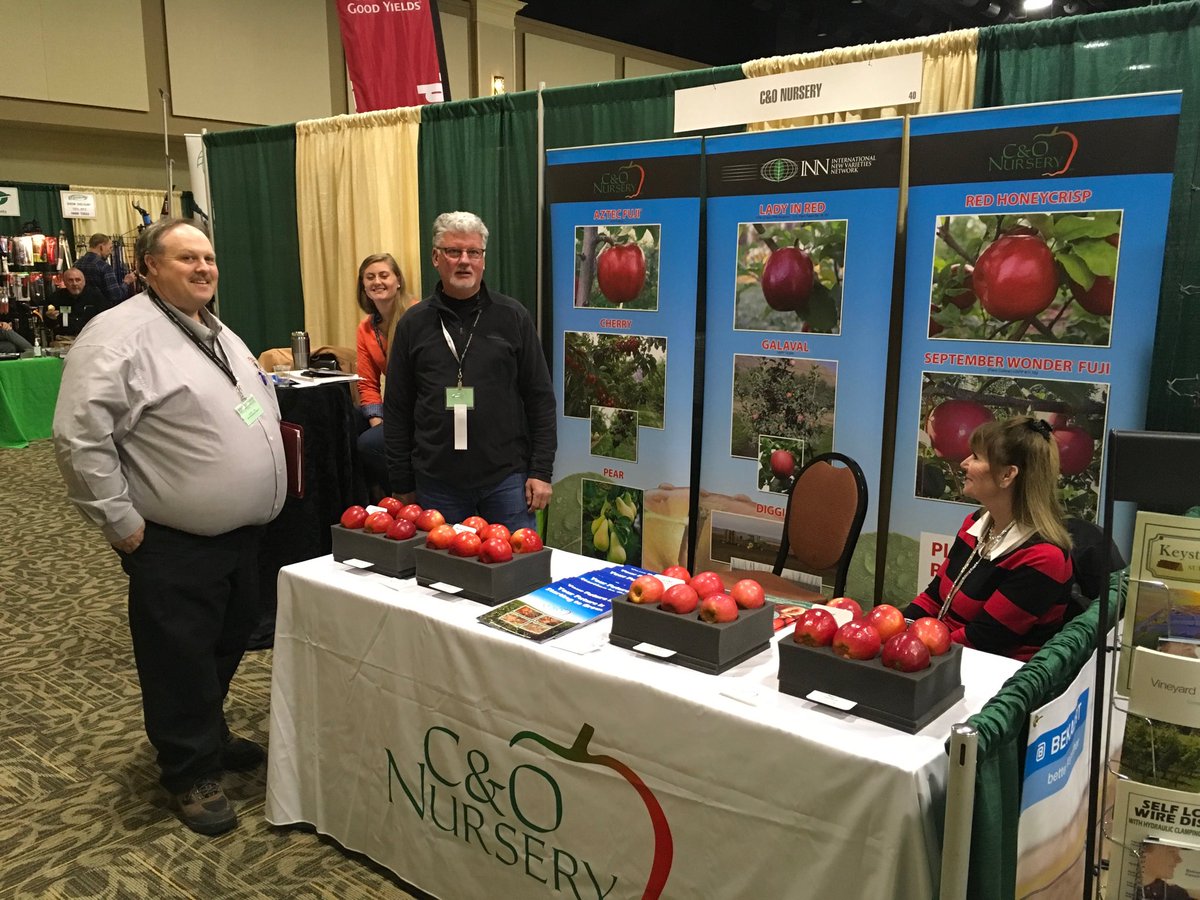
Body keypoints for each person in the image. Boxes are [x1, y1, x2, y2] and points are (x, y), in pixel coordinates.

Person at [52, 218, 286, 836]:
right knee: (178, 657)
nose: (203, 268)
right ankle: (189, 772)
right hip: (172, 542)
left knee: (227, 640)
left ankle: (207, 733)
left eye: (208, 257)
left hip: (238, 539)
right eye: (186, 258)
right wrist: (119, 522)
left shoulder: (214, 329)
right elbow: (79, 438)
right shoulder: (118, 335)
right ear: (149, 267)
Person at [384, 211, 556, 531]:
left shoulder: (513, 317)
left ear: (483, 260)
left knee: (516, 575)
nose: (464, 261)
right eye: (454, 252)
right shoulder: (413, 324)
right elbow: (396, 410)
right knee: (443, 578)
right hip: (437, 485)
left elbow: (540, 399)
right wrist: (401, 482)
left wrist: (541, 471)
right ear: (436, 258)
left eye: (473, 252)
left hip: (506, 480)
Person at [903, 415, 1074, 660]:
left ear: (1007, 475)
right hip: (943, 653)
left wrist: (911, 647)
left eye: (976, 457)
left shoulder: (1044, 558)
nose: (964, 463)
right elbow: (933, 597)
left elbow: (985, 639)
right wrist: (901, 629)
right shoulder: (975, 524)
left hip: (993, 674)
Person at [354, 253, 407, 496]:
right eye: (370, 277)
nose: (377, 281)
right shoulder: (365, 329)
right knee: (348, 424)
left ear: (398, 281)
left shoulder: (417, 315)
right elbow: (367, 383)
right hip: (393, 410)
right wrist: (377, 419)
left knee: (370, 443)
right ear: (363, 285)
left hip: (422, 411)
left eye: (384, 275)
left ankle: (404, 497)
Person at [76, 232, 137, 309]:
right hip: (101, 311)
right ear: (101, 247)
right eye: (110, 248)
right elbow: (116, 296)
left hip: (81, 310)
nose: (111, 252)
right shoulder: (104, 267)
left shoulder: (76, 264)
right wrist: (127, 282)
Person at [47, 267, 106, 335]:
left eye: (78, 280)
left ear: (84, 282)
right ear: (65, 282)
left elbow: (106, 319)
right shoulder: (56, 298)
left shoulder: (96, 297)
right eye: (70, 280)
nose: (74, 284)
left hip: (90, 337)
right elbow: (49, 325)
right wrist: (51, 319)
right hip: (65, 339)